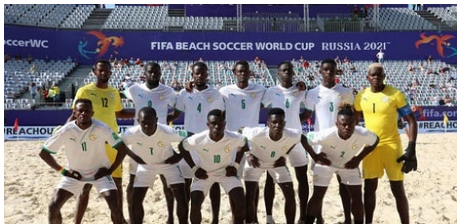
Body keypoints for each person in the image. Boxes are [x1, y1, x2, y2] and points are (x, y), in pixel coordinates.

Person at [39, 98, 143, 224]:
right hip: (74, 174)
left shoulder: (102, 128)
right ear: (75, 113)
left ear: (92, 113)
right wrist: (63, 171)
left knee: (115, 206)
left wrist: (109, 170)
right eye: (80, 111)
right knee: (53, 205)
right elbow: (44, 153)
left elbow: (122, 149)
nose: (84, 113)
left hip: (100, 173)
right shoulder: (66, 130)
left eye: (87, 111)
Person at [70, 59, 135, 224]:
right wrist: (64, 132)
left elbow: (119, 113)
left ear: (111, 73)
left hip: (111, 145)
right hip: (90, 146)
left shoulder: (114, 92)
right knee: (86, 187)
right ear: (94, 71)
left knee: (117, 185)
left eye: (107, 70)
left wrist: (140, 113)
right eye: (101, 70)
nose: (104, 73)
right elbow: (74, 116)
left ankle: (119, 220)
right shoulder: (84, 91)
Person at [354, 63, 418, 224]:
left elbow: (411, 121)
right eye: (373, 75)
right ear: (367, 77)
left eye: (379, 75)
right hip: (370, 148)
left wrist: (411, 148)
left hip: (392, 146)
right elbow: (354, 122)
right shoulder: (361, 97)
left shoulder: (395, 94)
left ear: (384, 76)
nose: (376, 77)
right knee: (369, 189)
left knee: (397, 189)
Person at [303, 103, 379, 224]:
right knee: (318, 195)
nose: (347, 127)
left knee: (357, 196)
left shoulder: (363, 134)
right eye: (343, 124)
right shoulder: (327, 134)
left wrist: (358, 158)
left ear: (356, 123)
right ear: (337, 124)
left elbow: (376, 141)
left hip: (348, 164)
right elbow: (304, 139)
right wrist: (315, 156)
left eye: (350, 124)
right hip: (326, 163)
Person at [168, 61, 225, 224]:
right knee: (185, 182)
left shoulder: (215, 94)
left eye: (202, 73)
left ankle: (215, 219)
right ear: (192, 75)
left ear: (208, 75)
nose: (199, 76)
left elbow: (221, 117)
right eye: (196, 73)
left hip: (209, 144)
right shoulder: (184, 94)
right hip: (190, 144)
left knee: (213, 182)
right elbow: (176, 115)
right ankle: (184, 219)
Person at [123, 62, 178, 224]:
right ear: (144, 74)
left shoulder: (168, 91)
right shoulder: (134, 90)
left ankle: (170, 218)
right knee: (133, 182)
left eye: (156, 72)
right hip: (139, 142)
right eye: (150, 72)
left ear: (161, 74)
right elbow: (119, 105)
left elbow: (179, 108)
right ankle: (133, 218)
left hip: (161, 139)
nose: (153, 74)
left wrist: (165, 120)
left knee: (167, 181)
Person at [301, 59, 355, 224]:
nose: (328, 72)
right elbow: (306, 115)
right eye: (325, 69)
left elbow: (353, 117)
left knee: (344, 184)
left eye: (332, 70)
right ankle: (319, 218)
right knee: (319, 187)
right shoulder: (312, 93)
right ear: (320, 72)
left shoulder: (345, 92)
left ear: (336, 71)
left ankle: (347, 219)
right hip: (320, 146)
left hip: (343, 144)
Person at [178, 109, 248, 224]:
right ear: (208, 125)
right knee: (195, 204)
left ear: (224, 124)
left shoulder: (233, 137)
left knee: (240, 200)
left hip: (226, 173)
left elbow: (244, 144)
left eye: (220, 124)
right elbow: (182, 147)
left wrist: (235, 165)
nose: (217, 126)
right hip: (205, 174)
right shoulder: (199, 138)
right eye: (213, 124)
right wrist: (194, 168)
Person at [121, 107, 189, 224]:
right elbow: (117, 142)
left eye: (150, 123)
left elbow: (189, 137)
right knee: (136, 200)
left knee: (181, 197)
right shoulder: (132, 133)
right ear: (138, 121)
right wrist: (133, 156)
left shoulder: (167, 131)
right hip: (145, 166)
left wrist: (179, 155)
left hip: (168, 164)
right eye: (144, 123)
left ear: (156, 120)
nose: (147, 126)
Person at [219, 60, 267, 223]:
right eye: (239, 71)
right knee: (234, 184)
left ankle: (253, 219)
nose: (243, 73)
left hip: (252, 143)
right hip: (232, 144)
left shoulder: (260, 89)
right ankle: (235, 218)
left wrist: (300, 86)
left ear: (250, 72)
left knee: (253, 184)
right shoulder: (225, 91)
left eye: (245, 71)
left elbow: (276, 95)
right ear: (234, 73)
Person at [261, 61, 309, 224]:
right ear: (278, 74)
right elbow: (259, 106)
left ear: (293, 73)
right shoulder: (271, 91)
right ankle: (269, 217)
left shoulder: (300, 90)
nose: (287, 72)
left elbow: (308, 111)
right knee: (270, 178)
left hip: (296, 138)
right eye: (283, 70)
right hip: (276, 139)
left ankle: (303, 217)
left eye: (289, 70)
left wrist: (295, 122)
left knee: (302, 177)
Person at [241, 108, 301, 224]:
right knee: (250, 195)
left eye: (280, 122)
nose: (277, 125)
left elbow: (297, 140)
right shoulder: (257, 133)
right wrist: (248, 154)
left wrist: (284, 155)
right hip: (256, 162)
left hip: (276, 163)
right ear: (268, 123)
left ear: (284, 123)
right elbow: (240, 131)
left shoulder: (292, 135)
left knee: (290, 194)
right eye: (274, 122)